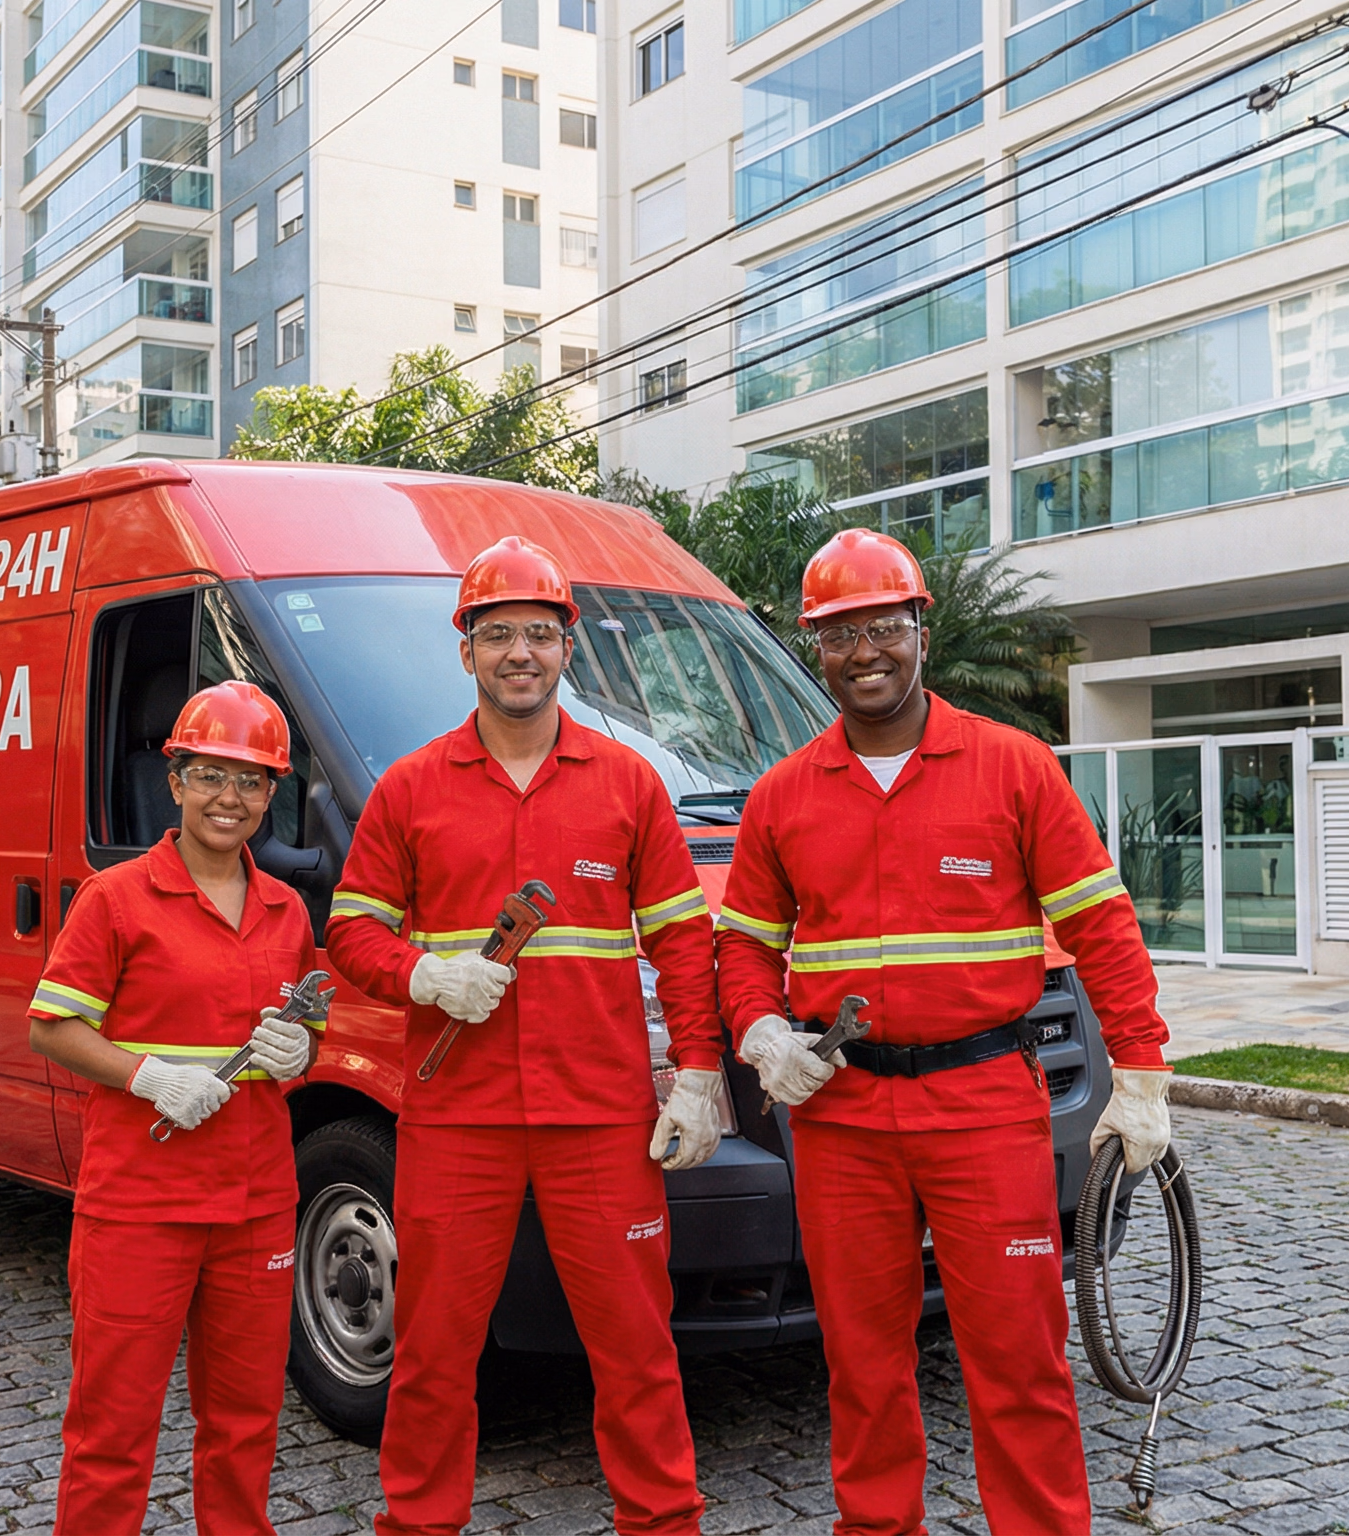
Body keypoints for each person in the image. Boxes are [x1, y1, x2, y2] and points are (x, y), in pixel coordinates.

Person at [711, 528, 1173, 1536]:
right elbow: (741, 948)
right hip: (841, 1120)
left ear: (921, 630)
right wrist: (756, 1028)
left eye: (884, 626)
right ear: (814, 649)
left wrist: (1140, 1072)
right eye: (839, 635)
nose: (864, 652)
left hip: (983, 1108)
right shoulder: (783, 797)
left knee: (1016, 1358)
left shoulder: (1011, 767)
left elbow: (1100, 923)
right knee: (862, 1361)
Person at [326, 535, 725, 1536]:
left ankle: (662, 1522)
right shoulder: (411, 787)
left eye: (538, 635)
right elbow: (349, 929)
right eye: (496, 633)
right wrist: (421, 971)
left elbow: (682, 938)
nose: (518, 653)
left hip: (599, 1118)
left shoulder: (630, 783)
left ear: (566, 650)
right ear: (463, 651)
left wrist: (699, 1076)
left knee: (635, 1347)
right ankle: (419, 1524)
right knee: (430, 1353)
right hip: (456, 1116)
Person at [26, 680, 322, 1536]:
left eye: (252, 781)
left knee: (244, 1429)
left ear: (273, 794)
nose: (231, 799)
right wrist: (149, 1075)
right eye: (212, 775)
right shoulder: (116, 898)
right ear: (176, 780)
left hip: (257, 1206)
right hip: (140, 1207)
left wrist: (301, 1054)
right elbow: (53, 1027)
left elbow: (310, 1023)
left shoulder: (286, 911)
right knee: (112, 1431)